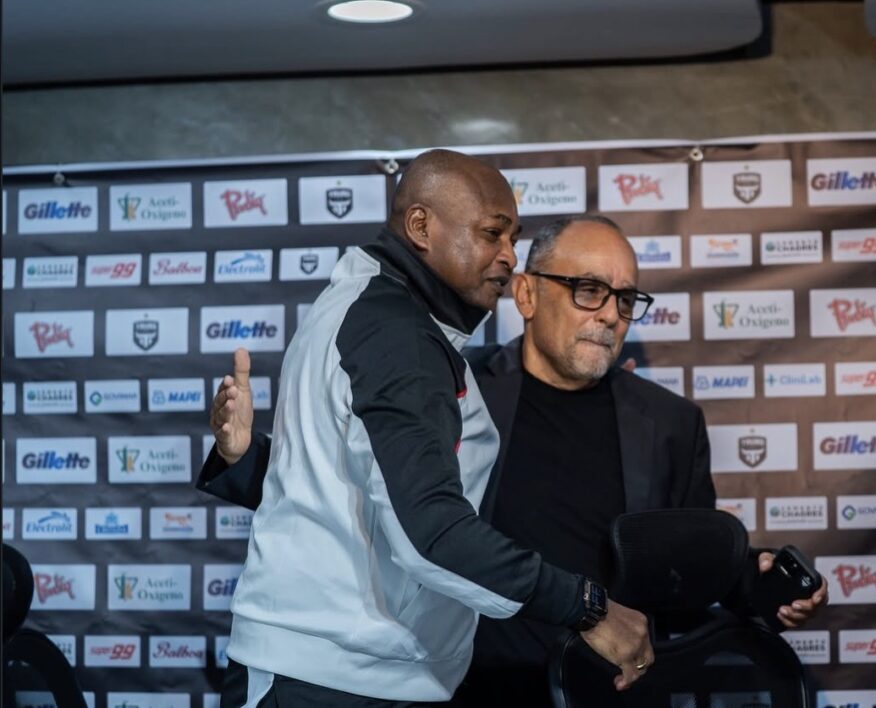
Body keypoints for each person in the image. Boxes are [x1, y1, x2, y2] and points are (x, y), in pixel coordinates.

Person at [207, 213, 828, 706]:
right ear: (527, 294)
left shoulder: (670, 422)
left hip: (611, 690)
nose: (610, 315)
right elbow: (358, 497)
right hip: (467, 683)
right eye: (589, 290)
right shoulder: (451, 382)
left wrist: (755, 584)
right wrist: (243, 459)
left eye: (625, 298)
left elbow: (685, 567)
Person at [204, 151, 653, 708]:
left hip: (341, 671)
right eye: (492, 233)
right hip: (334, 678)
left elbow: (342, 484)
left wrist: (245, 458)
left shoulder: (363, 307)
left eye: (512, 237)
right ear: (421, 226)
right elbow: (432, 535)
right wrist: (589, 607)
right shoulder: (398, 336)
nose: (509, 256)